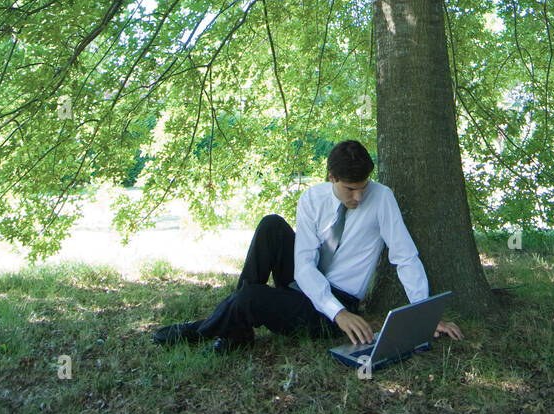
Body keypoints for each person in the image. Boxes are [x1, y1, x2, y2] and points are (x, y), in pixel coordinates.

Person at [151, 139, 463, 354]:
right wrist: (335, 311)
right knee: (271, 225)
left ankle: (202, 330)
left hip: (336, 303)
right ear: (331, 177)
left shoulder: (382, 199)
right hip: (307, 283)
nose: (359, 197)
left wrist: (424, 315)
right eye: (350, 189)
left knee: (249, 296)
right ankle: (236, 331)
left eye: (363, 187)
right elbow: (303, 264)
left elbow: (405, 256)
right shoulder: (312, 199)